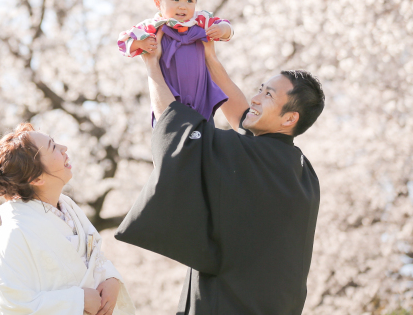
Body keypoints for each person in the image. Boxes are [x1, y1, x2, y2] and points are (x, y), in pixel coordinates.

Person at [115, 32, 324, 315]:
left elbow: (178, 130)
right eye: (260, 88)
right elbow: (246, 118)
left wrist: (152, 66)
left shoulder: (251, 155)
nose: (255, 97)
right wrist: (209, 60)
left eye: (268, 94)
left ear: (290, 118)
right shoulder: (299, 169)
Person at [0, 123, 135, 315]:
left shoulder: (68, 208)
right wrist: (78, 301)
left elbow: (95, 258)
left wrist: (111, 279)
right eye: (53, 147)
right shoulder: (11, 238)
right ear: (36, 178)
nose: (64, 148)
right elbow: (14, 306)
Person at [117, 0, 233, 122]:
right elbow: (123, 42)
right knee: (172, 124)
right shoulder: (153, 26)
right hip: (169, 92)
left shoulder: (200, 20)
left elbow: (228, 28)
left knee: (204, 126)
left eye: (190, 1)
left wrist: (221, 30)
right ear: (158, 3)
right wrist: (140, 43)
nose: (183, 6)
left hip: (199, 92)